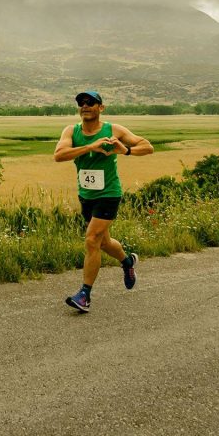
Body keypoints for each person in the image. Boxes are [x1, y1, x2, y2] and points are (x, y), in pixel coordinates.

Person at [53, 90, 153, 313]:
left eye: (91, 102)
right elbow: (59, 155)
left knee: (91, 239)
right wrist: (91, 146)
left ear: (101, 107)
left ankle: (84, 295)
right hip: (87, 195)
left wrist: (125, 150)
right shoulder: (71, 131)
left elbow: (147, 146)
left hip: (109, 194)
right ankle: (127, 262)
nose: (85, 105)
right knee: (104, 242)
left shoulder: (113, 130)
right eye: (81, 102)